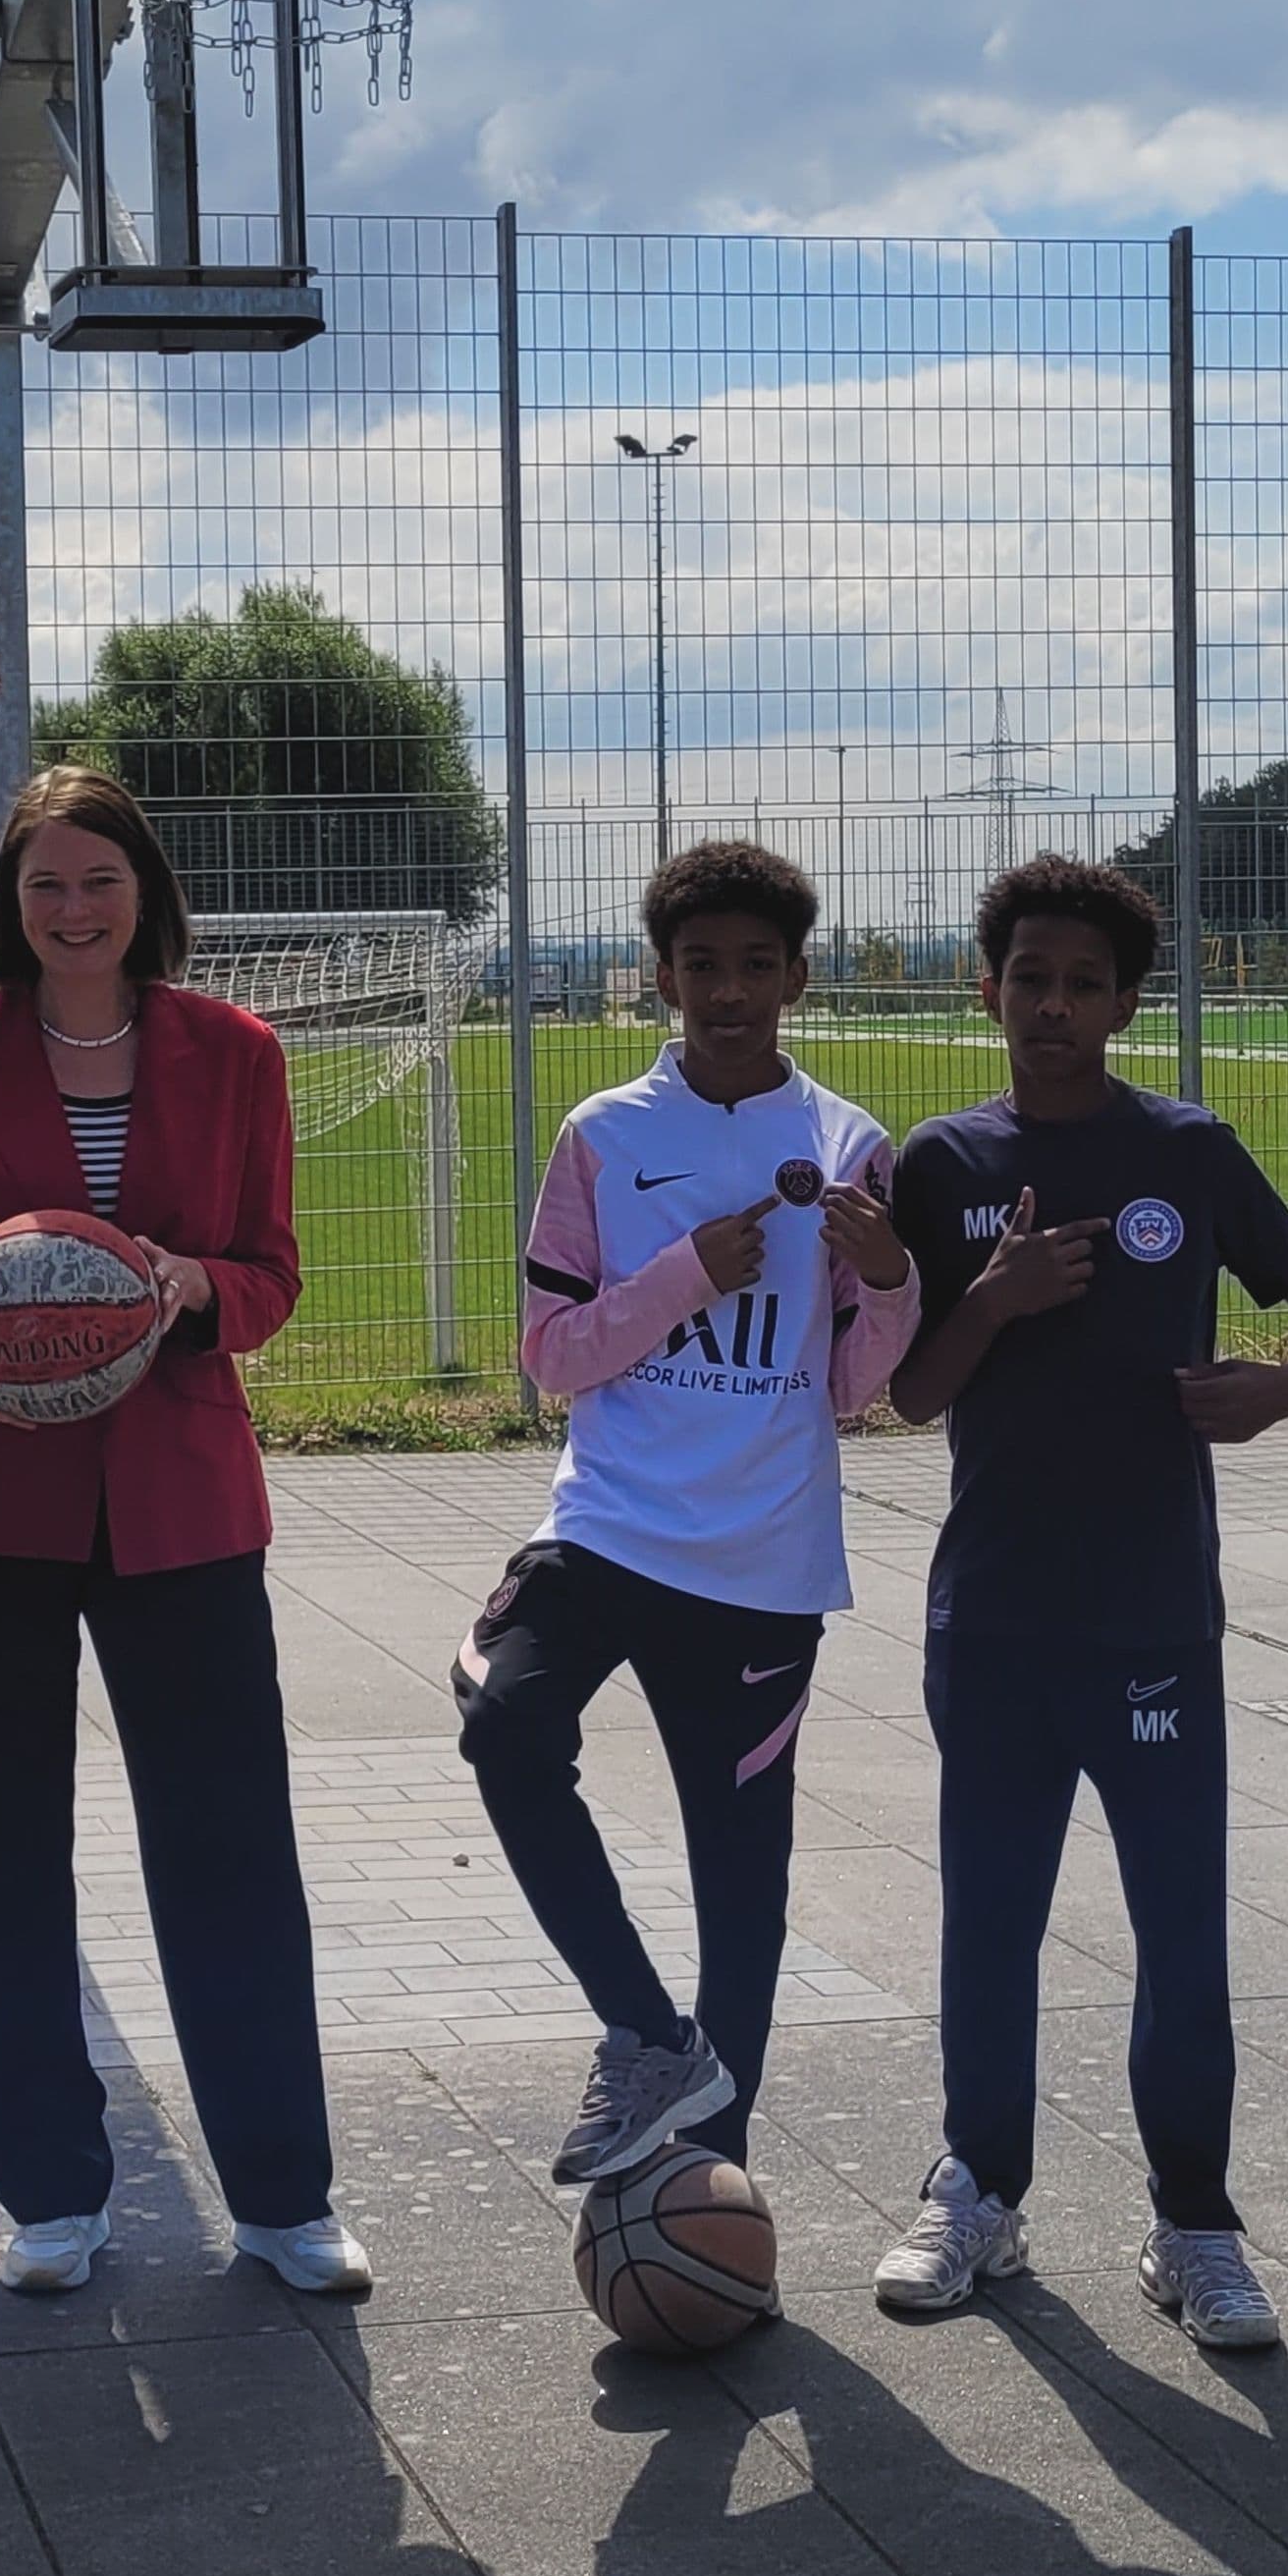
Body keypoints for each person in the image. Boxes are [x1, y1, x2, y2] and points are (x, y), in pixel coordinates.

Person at [0, 764, 368, 2300]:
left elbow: (270, 1272)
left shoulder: (238, 1052)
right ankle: (52, 2191)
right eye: (42, 887)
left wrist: (187, 1286)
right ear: (6, 909)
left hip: (179, 1504)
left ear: (146, 891)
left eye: (98, 880)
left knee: (226, 1851)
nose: (72, 911)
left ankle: (282, 2197)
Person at [874, 852, 1288, 2353]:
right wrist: (994, 1299)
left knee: (1180, 1933)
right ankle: (983, 2194)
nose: (1057, 1005)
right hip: (999, 1618)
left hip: (1153, 1615)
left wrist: (1285, 1389)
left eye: (1088, 983)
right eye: (1032, 977)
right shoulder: (943, 1164)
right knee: (991, 1923)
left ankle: (1195, 2225)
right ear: (988, 987)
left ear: (1129, 1002)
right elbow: (905, 1394)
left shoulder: (1188, 1152)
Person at [455, 843, 918, 2187]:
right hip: (605, 1530)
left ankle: (716, 2193)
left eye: (757, 966)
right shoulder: (604, 1135)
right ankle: (650, 2036)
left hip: (766, 1560)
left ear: (799, 978)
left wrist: (888, 1280)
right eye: (702, 965)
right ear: (661, 976)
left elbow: (848, 1387)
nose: (730, 991)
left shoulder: (845, 1144)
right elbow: (549, 1356)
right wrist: (674, 1280)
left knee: (743, 1886)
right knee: (505, 1724)